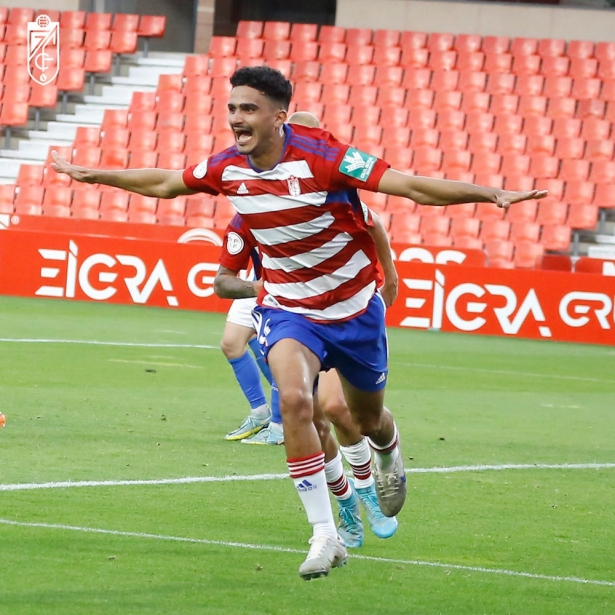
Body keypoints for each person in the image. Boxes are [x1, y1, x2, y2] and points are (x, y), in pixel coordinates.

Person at [50, 65, 547, 580]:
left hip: (353, 310)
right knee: (294, 400)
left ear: (279, 117)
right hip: (289, 309)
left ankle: (387, 448)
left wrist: (489, 194)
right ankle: (325, 535)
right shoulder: (227, 168)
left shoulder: (327, 158)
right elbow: (166, 182)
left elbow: (411, 187)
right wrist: (96, 175)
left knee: (365, 418)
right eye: (232, 109)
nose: (236, 119)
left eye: (249, 109)